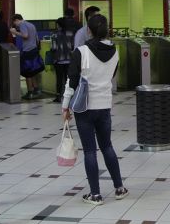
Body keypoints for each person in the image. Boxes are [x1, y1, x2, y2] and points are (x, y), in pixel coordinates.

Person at [62, 14, 128, 205]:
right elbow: (111, 75)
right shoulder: (115, 51)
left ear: (88, 30)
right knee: (107, 146)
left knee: (90, 151)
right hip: (104, 106)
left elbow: (71, 82)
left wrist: (65, 106)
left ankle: (96, 194)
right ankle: (119, 188)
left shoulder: (81, 52)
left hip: (84, 108)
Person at [10, 14, 42, 99]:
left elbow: (25, 35)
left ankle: (30, 92)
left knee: (27, 72)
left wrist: (15, 32)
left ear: (16, 20)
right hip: (34, 49)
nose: (16, 25)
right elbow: (36, 38)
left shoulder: (22, 24)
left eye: (15, 23)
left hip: (28, 51)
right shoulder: (31, 24)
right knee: (33, 71)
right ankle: (36, 89)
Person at [51, 17, 74, 103]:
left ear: (58, 25)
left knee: (59, 79)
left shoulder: (55, 34)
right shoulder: (70, 33)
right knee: (68, 79)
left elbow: (53, 48)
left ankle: (58, 97)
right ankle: (70, 96)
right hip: (69, 60)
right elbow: (73, 46)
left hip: (59, 60)